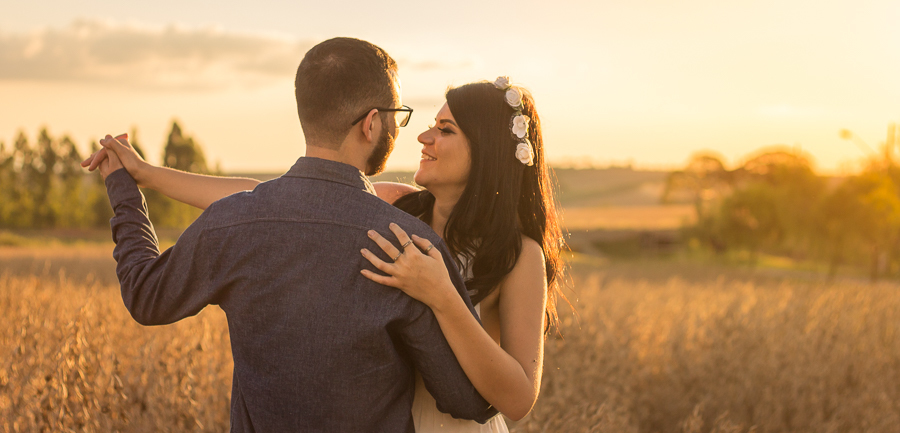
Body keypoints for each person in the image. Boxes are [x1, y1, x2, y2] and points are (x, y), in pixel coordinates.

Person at [87, 78, 564, 432]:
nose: (423, 137)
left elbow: (519, 398)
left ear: (487, 152)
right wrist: (146, 174)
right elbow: (274, 201)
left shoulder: (519, 257)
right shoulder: (397, 206)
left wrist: (442, 295)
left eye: (445, 129)